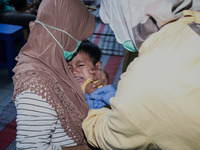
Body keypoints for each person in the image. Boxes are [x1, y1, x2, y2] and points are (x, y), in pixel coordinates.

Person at [82, 0, 200, 149]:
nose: (107, 21)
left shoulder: (142, 78)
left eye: (111, 18)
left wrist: (95, 114)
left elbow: (114, 137)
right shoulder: (192, 25)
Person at [12, 0, 98, 149]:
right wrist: (85, 147)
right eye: (78, 36)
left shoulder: (53, 62)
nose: (79, 43)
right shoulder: (36, 86)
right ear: (65, 33)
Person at [67, 40, 111, 108]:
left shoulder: (92, 85)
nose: (74, 71)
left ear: (98, 67)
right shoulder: (68, 86)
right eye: (69, 68)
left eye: (80, 65)